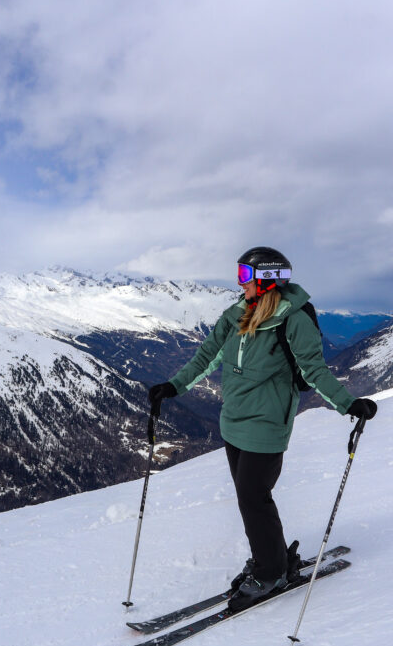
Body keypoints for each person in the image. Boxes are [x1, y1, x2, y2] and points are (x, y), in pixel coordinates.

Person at [149, 247, 377, 610]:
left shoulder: (293, 320)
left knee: (254, 498)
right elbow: (207, 356)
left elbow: (313, 371)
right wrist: (174, 386)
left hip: (267, 425)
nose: (240, 284)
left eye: (245, 276)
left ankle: (271, 570)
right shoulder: (237, 313)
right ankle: (270, 559)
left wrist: (348, 404)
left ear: (266, 280)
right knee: (248, 499)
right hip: (233, 423)